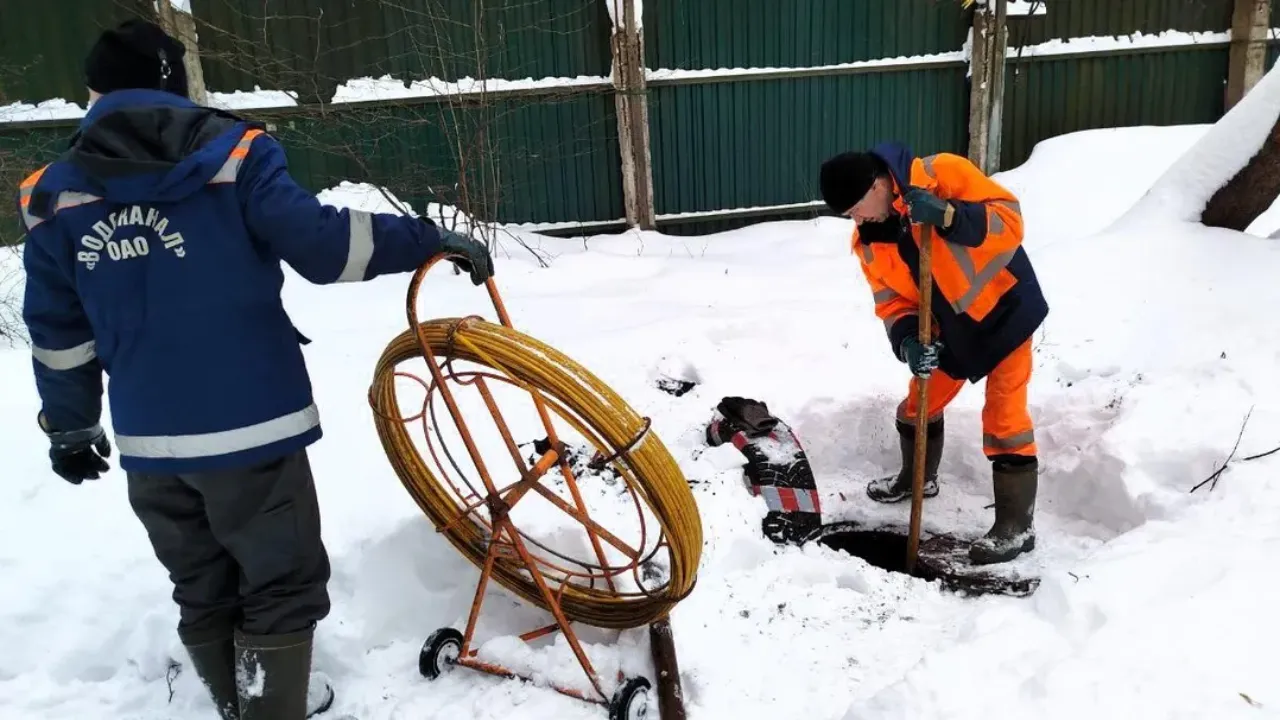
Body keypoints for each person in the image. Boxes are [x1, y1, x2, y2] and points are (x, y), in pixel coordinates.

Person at [16, 18, 494, 719]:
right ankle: (272, 706)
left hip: (152, 444)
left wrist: (68, 424)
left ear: (96, 92)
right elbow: (324, 246)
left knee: (201, 584)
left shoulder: (52, 194)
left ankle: (248, 702)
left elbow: (58, 331)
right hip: (253, 430)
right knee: (282, 584)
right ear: (174, 84)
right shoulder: (236, 153)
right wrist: (428, 238)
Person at [818, 142, 1048, 565]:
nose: (856, 219)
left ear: (877, 184)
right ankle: (917, 478)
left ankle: (1017, 527)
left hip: (1005, 312)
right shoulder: (869, 241)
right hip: (951, 333)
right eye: (848, 214)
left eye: (856, 207)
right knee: (917, 406)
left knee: (1005, 418)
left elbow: (1010, 222)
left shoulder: (942, 173)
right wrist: (907, 340)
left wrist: (949, 217)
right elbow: (891, 302)